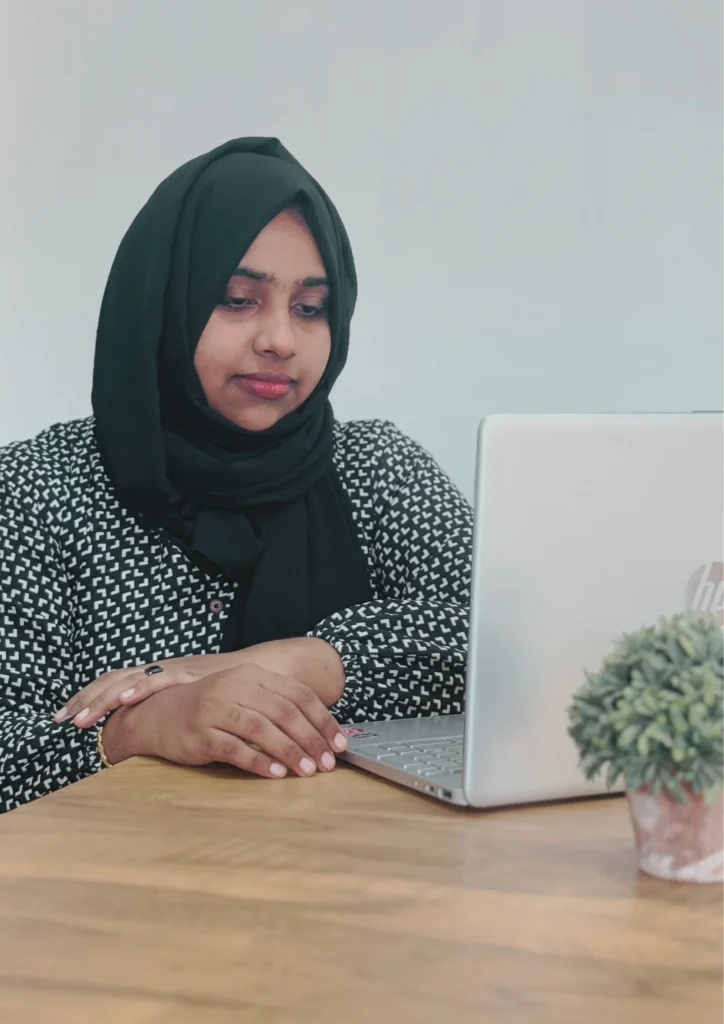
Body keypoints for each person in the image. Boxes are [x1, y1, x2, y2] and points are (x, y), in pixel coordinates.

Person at [0, 137, 473, 814]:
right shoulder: (38, 491)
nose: (280, 338)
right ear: (165, 304)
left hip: (366, 878)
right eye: (237, 299)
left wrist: (289, 663)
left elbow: (509, 646)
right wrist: (142, 728)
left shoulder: (373, 468)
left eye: (311, 308)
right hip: (123, 893)